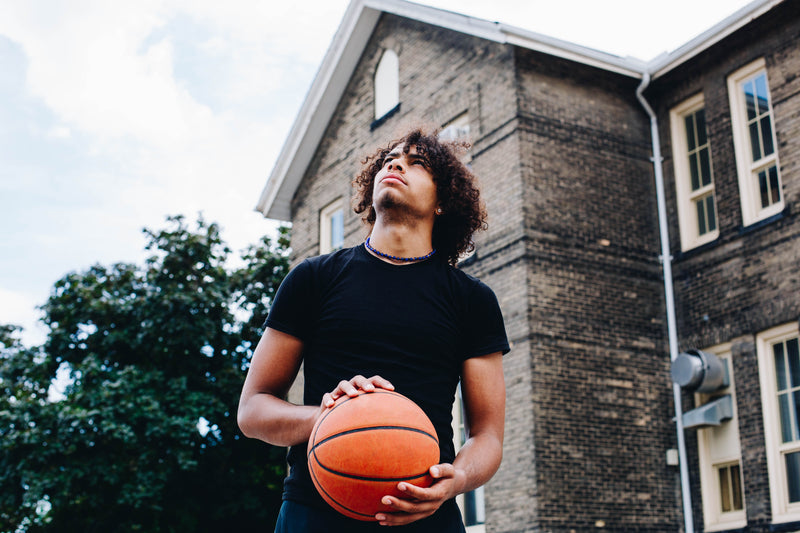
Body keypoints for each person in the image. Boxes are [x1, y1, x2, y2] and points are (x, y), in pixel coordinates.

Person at [238, 128, 509, 532]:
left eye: (417, 163)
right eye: (390, 159)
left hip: (424, 513)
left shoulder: (472, 300)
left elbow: (487, 435)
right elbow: (252, 409)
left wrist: (460, 479)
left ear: (443, 201)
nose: (395, 163)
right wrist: (333, 420)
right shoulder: (313, 279)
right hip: (315, 511)